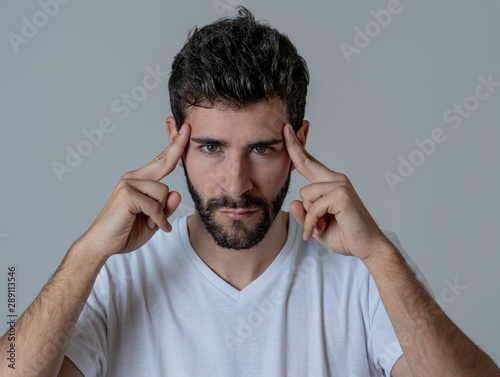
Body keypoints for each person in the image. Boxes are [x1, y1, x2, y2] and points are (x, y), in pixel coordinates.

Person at [1, 7, 499, 377]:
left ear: (298, 144)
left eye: (262, 149)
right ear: (175, 141)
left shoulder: (363, 270)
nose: (236, 183)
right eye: (211, 147)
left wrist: (382, 257)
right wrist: (88, 253)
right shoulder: (115, 271)